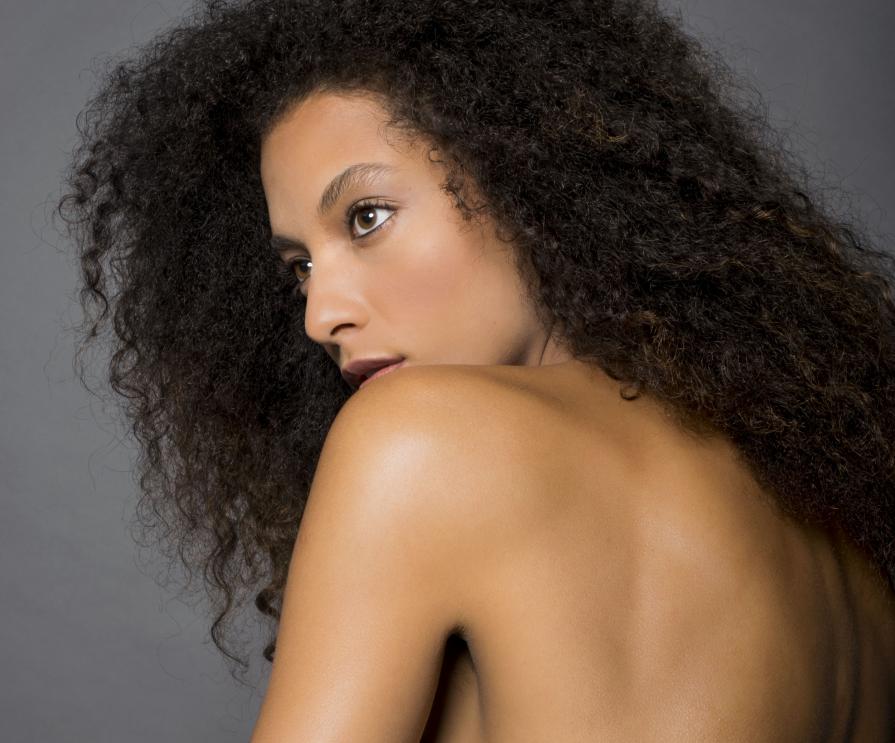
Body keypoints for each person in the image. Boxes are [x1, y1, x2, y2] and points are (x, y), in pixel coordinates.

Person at [60, 0, 894, 739]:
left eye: (366, 216)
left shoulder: (421, 440)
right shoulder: (840, 524)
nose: (319, 315)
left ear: (529, 174)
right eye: (299, 267)